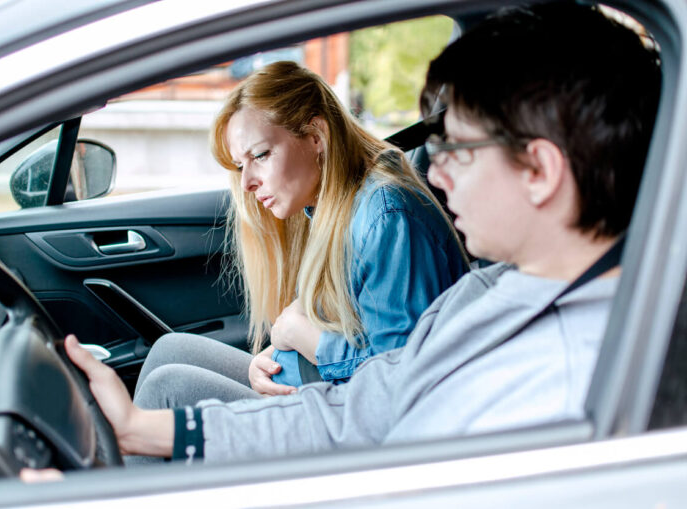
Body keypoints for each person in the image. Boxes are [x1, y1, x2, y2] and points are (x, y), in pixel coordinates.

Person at [53, 2, 660, 466]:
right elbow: (363, 410)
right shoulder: (492, 291)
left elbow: (375, 428)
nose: (437, 173)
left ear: (540, 170)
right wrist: (144, 431)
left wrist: (306, 340)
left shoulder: (575, 376)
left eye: (458, 150)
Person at [129, 60, 468, 439]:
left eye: (260, 155)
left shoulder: (385, 215)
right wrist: (272, 358)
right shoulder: (327, 202)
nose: (247, 184)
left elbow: (400, 383)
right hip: (315, 388)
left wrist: (304, 337)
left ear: (316, 136)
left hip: (348, 422)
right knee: (170, 350)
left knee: (168, 389)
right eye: (241, 165)